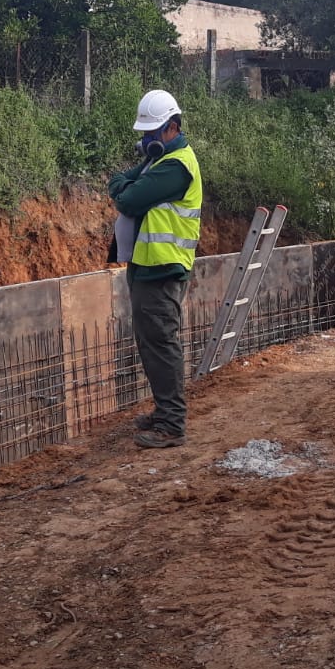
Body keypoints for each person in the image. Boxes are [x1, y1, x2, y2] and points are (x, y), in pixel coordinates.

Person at [109, 89, 202, 449]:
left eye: (152, 132)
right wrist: (126, 184)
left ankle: (171, 423)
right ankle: (164, 412)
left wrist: (125, 187)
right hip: (147, 266)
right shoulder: (159, 161)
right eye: (144, 133)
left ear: (172, 128)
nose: (145, 139)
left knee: (161, 343)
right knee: (151, 343)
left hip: (163, 268)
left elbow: (127, 197)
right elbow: (121, 181)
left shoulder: (176, 166)